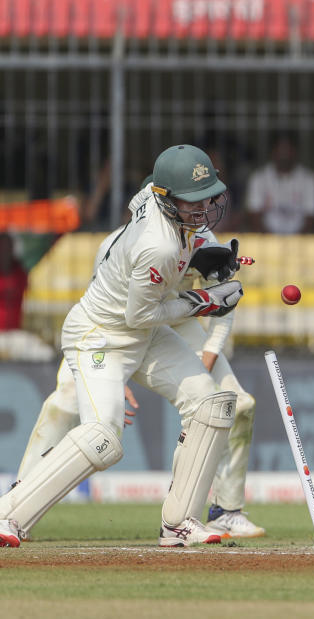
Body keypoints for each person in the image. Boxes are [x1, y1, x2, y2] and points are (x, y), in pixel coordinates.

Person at [0, 144, 246, 548]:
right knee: (103, 438)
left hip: (142, 336)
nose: (203, 208)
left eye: (207, 196)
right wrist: (207, 301)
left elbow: (151, 211)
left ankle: (180, 522)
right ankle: (9, 515)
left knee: (210, 404)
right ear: (167, 199)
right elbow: (140, 315)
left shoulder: (155, 199)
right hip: (100, 335)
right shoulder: (158, 245)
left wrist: (204, 255)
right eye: (192, 200)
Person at [246, 132, 314, 235]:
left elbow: (311, 217)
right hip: (266, 242)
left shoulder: (308, 179)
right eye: (280, 149)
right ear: (272, 151)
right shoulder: (259, 178)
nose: (284, 153)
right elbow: (254, 216)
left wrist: (297, 243)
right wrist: (271, 242)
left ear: (295, 151)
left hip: (301, 243)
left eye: (287, 149)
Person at [0, 233, 57, 362]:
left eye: (7, 247)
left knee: (45, 354)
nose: (4, 251)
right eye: (1, 247)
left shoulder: (21, 271)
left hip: (14, 335)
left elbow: (46, 246)